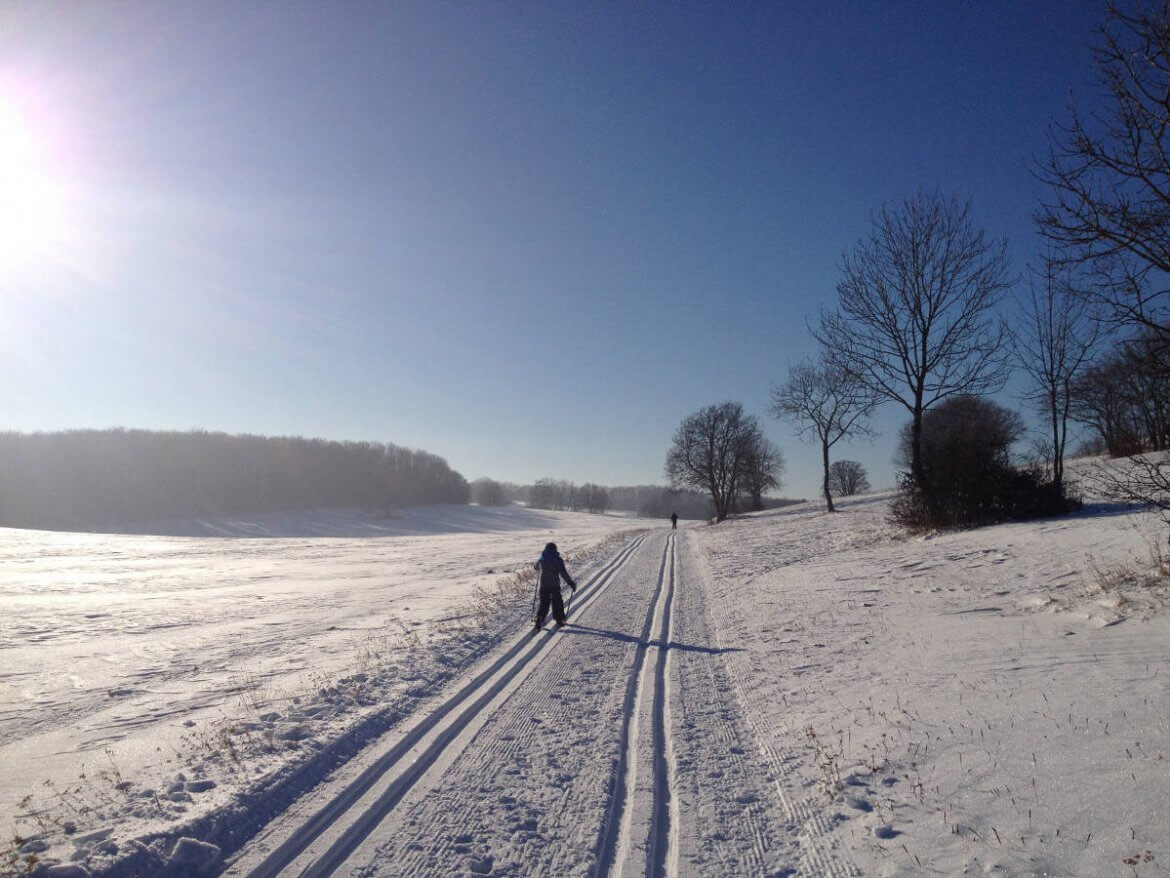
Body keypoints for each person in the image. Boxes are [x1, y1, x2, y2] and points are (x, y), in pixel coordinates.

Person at [533, 541, 576, 630]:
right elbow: (563, 573)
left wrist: (538, 567)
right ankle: (560, 620)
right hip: (554, 586)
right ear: (555, 549)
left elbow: (536, 567)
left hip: (543, 586)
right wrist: (570, 583)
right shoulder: (557, 559)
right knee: (557, 603)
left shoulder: (542, 558)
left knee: (544, 603)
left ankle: (540, 618)